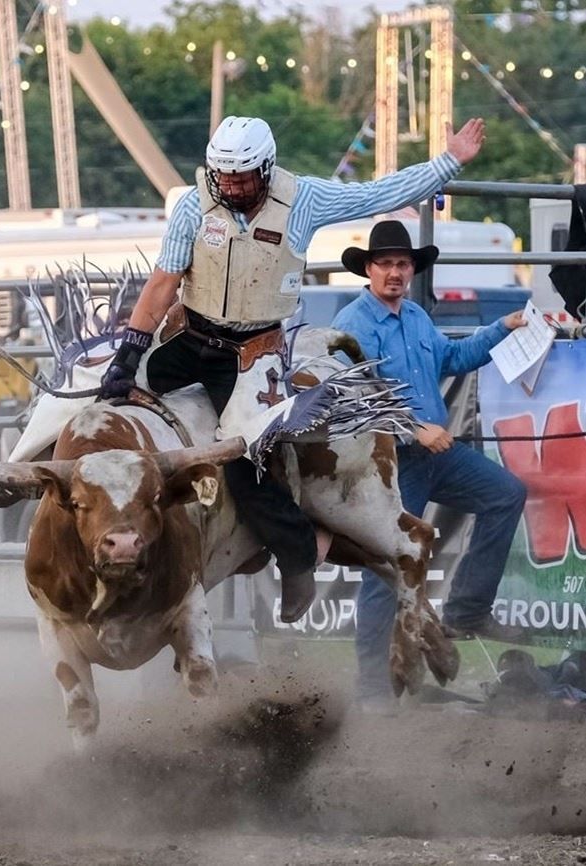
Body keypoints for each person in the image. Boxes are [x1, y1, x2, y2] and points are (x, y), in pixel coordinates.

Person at [99, 114, 487, 624]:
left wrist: (449, 160)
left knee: (243, 458)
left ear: (266, 169)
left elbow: (376, 194)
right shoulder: (195, 204)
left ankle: (297, 553)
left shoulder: (302, 199)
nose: (232, 186)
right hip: (190, 334)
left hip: (251, 352)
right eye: (225, 176)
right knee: (103, 401)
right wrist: (129, 352)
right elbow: (163, 282)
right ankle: (48, 481)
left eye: (242, 177)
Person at [331, 220, 528, 711]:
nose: (395, 272)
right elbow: (360, 397)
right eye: (386, 264)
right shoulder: (355, 324)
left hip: (435, 455)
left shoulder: (416, 316)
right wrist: (415, 427)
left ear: (412, 269)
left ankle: (467, 609)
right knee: (387, 569)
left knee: (506, 493)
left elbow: (454, 356)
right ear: (369, 270)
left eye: (403, 264)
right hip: (390, 464)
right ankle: (372, 688)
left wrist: (503, 328)